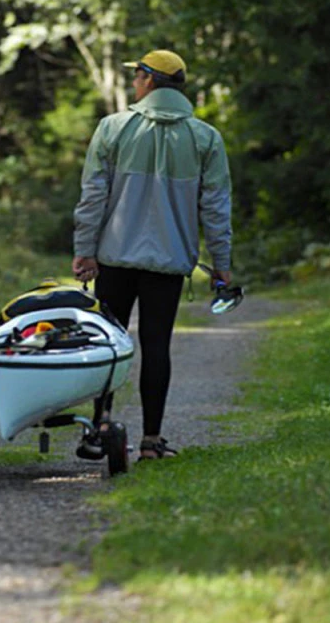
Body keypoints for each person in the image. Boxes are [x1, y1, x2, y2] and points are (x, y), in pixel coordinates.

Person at [71, 50, 232, 461]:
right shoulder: (205, 138)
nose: (133, 83)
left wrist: (85, 251)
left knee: (108, 343)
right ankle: (151, 441)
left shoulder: (113, 128)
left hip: (114, 257)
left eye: (136, 75)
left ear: (148, 79)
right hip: (168, 262)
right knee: (157, 345)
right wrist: (222, 264)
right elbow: (216, 208)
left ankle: (99, 428)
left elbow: (93, 196)